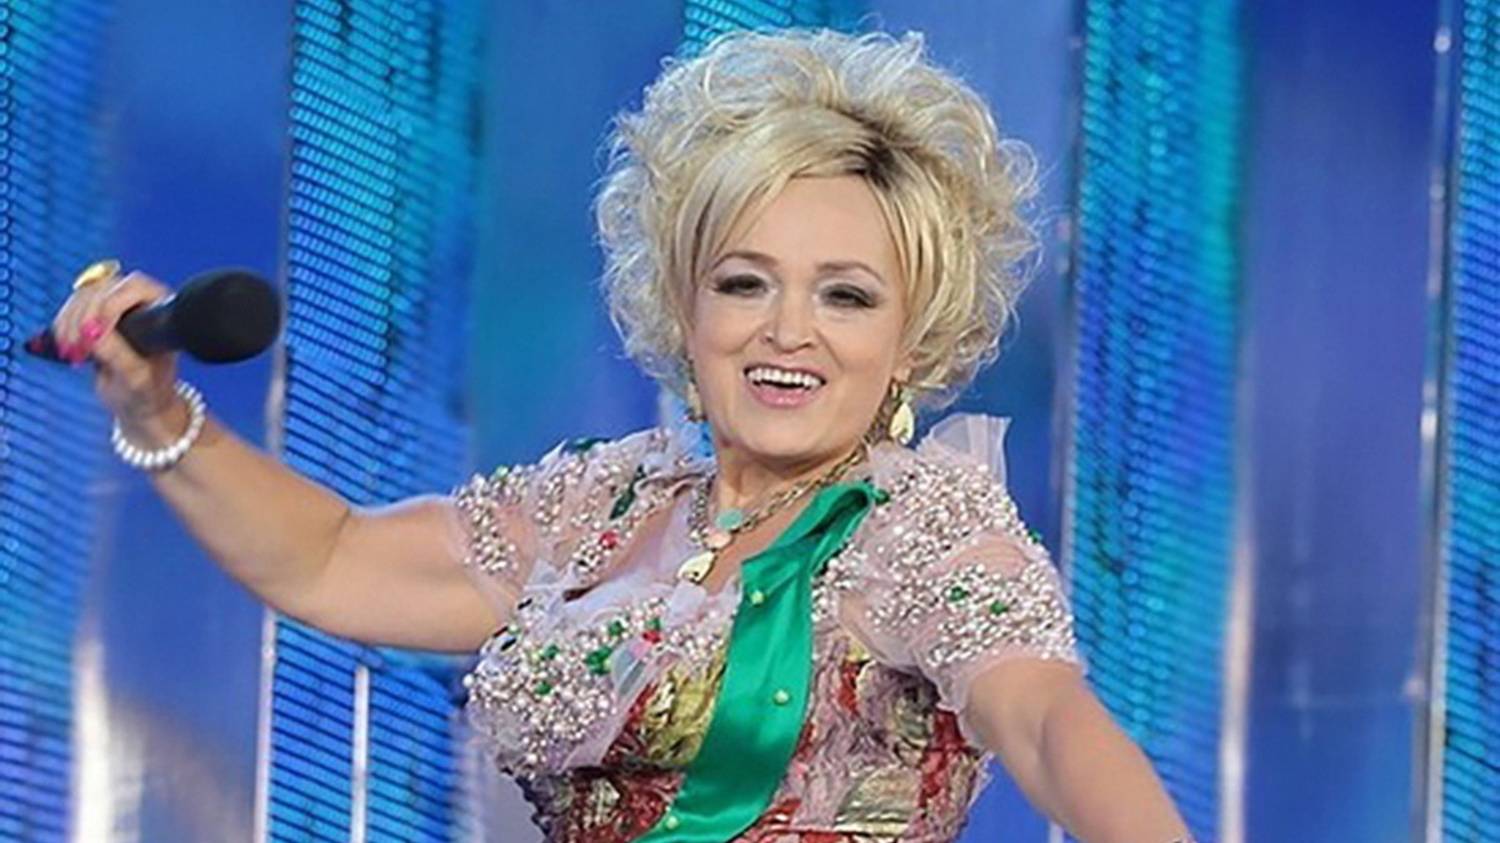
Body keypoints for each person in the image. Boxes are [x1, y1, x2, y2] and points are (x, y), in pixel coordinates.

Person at [51, 28, 1192, 843]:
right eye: (744, 282)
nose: (787, 330)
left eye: (846, 295)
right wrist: (158, 413)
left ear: (910, 339)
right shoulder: (597, 510)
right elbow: (332, 558)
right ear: (684, 308)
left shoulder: (922, 527)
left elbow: (1044, 720)